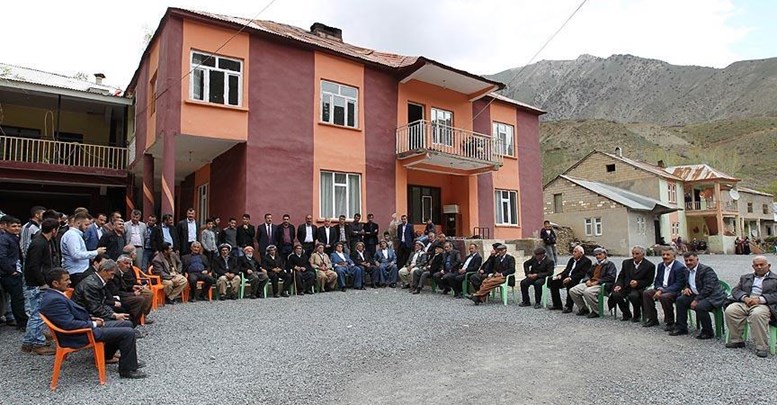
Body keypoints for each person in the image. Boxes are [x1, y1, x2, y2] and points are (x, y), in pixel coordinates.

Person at [40, 268, 146, 379]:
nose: (70, 282)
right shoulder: (54, 300)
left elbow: (71, 318)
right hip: (79, 334)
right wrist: (94, 324)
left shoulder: (55, 295)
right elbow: (69, 325)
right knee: (128, 332)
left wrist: (92, 319)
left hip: (84, 328)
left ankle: (108, 356)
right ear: (55, 283)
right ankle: (127, 370)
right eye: (66, 280)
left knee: (126, 324)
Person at [21, 218, 60, 354]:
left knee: (36, 313)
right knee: (38, 314)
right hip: (36, 284)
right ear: (54, 230)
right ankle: (37, 343)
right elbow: (33, 265)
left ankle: (28, 342)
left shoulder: (44, 241)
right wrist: (42, 282)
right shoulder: (39, 243)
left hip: (37, 282)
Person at [725, 255, 777, 357]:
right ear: (753, 267)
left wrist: (761, 299)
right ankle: (737, 340)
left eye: (762, 264)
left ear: (769, 265)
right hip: (746, 301)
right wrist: (744, 297)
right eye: (756, 265)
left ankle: (761, 347)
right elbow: (735, 290)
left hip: (764, 303)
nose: (759, 267)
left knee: (757, 315)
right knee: (731, 310)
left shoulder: (775, 279)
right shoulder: (745, 277)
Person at [669, 252, 727, 339]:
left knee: (700, 306)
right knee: (680, 300)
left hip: (712, 296)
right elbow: (686, 283)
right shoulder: (686, 270)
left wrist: (696, 300)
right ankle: (681, 327)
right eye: (686, 261)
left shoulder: (706, 270)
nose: (688, 262)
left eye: (691, 260)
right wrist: (686, 288)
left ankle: (708, 331)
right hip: (697, 293)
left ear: (697, 259)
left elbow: (708, 288)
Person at [73, 260, 131, 324]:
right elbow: (95, 308)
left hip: (91, 313)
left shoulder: (96, 281)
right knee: (126, 324)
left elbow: (101, 303)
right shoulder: (92, 285)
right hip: (87, 317)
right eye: (111, 274)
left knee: (126, 320)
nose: (112, 277)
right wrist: (113, 315)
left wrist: (113, 313)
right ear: (104, 271)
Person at [642, 247, 687, 329]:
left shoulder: (679, 267)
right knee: (646, 293)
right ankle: (652, 319)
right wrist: (659, 289)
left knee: (664, 297)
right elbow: (657, 280)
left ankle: (670, 322)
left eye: (668, 255)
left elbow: (679, 284)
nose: (665, 257)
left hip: (673, 291)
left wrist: (662, 291)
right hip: (661, 289)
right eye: (663, 255)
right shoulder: (660, 266)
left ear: (674, 256)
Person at [609, 246, 656, 322]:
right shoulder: (626, 263)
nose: (634, 256)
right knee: (615, 294)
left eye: (637, 254)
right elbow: (621, 276)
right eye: (633, 254)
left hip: (638, 288)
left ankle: (637, 315)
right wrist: (619, 285)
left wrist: (638, 283)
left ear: (643, 254)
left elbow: (649, 281)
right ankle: (626, 313)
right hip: (626, 286)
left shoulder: (649, 266)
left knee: (633, 296)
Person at [568, 247, 617, 318]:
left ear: (605, 255)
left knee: (588, 292)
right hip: (591, 283)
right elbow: (588, 274)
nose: (598, 256)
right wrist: (587, 280)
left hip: (602, 285)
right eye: (596, 255)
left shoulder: (610, 265)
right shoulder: (595, 265)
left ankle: (597, 311)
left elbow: (611, 277)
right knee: (573, 290)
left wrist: (597, 282)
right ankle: (583, 308)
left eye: (600, 254)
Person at [60, 212, 106, 287]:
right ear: (78, 223)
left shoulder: (76, 235)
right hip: (76, 273)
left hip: (80, 272)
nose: (88, 227)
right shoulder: (72, 235)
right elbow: (76, 254)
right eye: (86, 225)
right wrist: (96, 252)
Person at [110, 256, 154, 327]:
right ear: (118, 263)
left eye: (129, 263)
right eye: (126, 263)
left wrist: (132, 287)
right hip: (115, 298)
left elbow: (122, 286)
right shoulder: (114, 273)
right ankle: (131, 324)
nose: (128, 266)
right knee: (140, 299)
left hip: (124, 293)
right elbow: (115, 291)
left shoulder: (121, 272)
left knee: (147, 294)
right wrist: (132, 294)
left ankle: (142, 317)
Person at [549, 245, 591, 312]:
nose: (573, 253)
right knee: (553, 283)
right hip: (567, 277)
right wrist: (560, 275)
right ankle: (557, 304)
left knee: (570, 284)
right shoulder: (572, 260)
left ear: (581, 253)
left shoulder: (587, 261)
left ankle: (568, 306)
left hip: (576, 279)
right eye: (573, 252)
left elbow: (582, 273)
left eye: (575, 252)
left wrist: (570, 278)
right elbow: (567, 270)